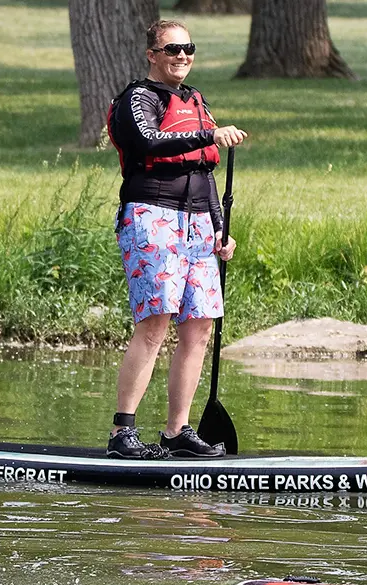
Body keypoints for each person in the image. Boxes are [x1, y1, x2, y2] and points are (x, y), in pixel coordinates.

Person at [104, 20, 247, 459]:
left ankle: (176, 431)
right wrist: (209, 134)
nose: (182, 56)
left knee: (199, 327)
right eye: (172, 49)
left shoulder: (196, 101)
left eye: (189, 48)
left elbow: (203, 173)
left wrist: (220, 227)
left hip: (200, 224)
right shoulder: (137, 99)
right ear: (152, 54)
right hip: (153, 216)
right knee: (155, 324)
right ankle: (122, 433)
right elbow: (148, 141)